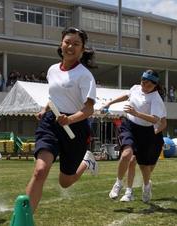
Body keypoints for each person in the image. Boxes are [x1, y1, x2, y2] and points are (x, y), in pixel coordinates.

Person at [25, 27, 98, 212]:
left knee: (65, 182)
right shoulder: (52, 70)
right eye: (67, 42)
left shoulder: (85, 75)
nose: (70, 46)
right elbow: (52, 98)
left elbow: (89, 109)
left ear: (82, 49)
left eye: (76, 44)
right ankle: (24, 219)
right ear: (61, 44)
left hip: (76, 127)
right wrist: (44, 110)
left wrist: (71, 119)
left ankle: (87, 162)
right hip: (52, 123)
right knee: (40, 170)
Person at [104, 69, 166, 203]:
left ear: (155, 85)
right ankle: (119, 183)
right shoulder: (135, 88)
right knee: (127, 155)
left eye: (149, 85)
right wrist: (109, 103)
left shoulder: (156, 98)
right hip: (129, 125)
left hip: (146, 131)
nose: (145, 86)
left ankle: (147, 186)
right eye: (143, 83)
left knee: (144, 166)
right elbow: (126, 95)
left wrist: (136, 113)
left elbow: (156, 120)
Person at [119, 117, 167, 202]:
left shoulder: (157, 105)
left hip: (154, 136)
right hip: (138, 133)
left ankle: (146, 184)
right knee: (132, 160)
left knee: (148, 166)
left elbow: (163, 123)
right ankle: (128, 192)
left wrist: (153, 132)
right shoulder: (137, 105)